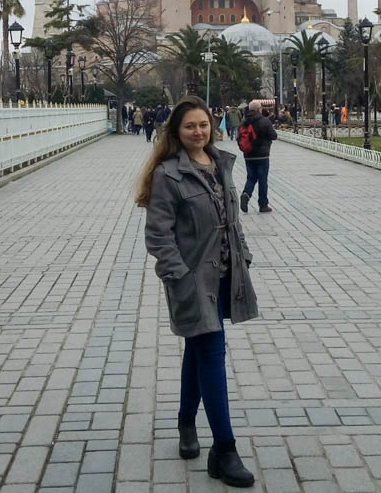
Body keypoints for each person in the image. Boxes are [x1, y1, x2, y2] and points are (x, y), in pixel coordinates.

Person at [136, 95, 258, 488]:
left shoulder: (221, 163)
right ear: (177, 131)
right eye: (190, 126)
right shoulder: (169, 174)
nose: (198, 131)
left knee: (198, 346)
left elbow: (230, 218)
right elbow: (158, 235)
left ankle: (186, 421)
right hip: (192, 280)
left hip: (227, 274)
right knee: (212, 352)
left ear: (212, 125)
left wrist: (244, 253)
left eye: (203, 124)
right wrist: (180, 276)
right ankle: (224, 449)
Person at [238, 99, 278, 213]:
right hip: (262, 156)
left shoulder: (244, 121)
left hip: (248, 155)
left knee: (251, 177)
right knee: (262, 179)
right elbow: (273, 135)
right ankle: (263, 204)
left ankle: (246, 193)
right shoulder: (264, 121)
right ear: (259, 109)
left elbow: (239, 138)